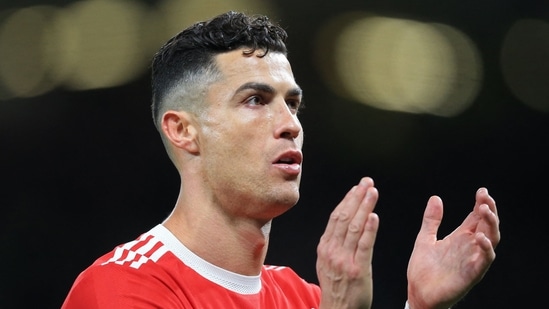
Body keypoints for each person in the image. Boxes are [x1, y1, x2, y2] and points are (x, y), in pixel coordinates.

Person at [61, 11, 500, 309]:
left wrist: (419, 306)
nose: (289, 123)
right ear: (183, 130)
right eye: (255, 100)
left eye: (293, 104)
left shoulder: (303, 297)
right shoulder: (121, 289)